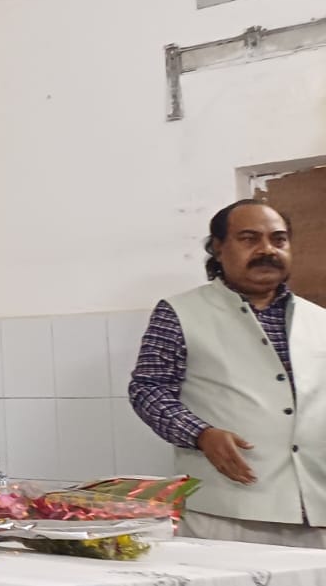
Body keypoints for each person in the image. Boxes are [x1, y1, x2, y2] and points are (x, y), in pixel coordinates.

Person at [129, 199, 325, 547]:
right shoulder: (180, 312)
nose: (267, 250)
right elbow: (149, 389)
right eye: (249, 239)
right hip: (225, 510)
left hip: (316, 510)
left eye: (278, 240)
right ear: (218, 248)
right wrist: (200, 434)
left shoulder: (319, 320)